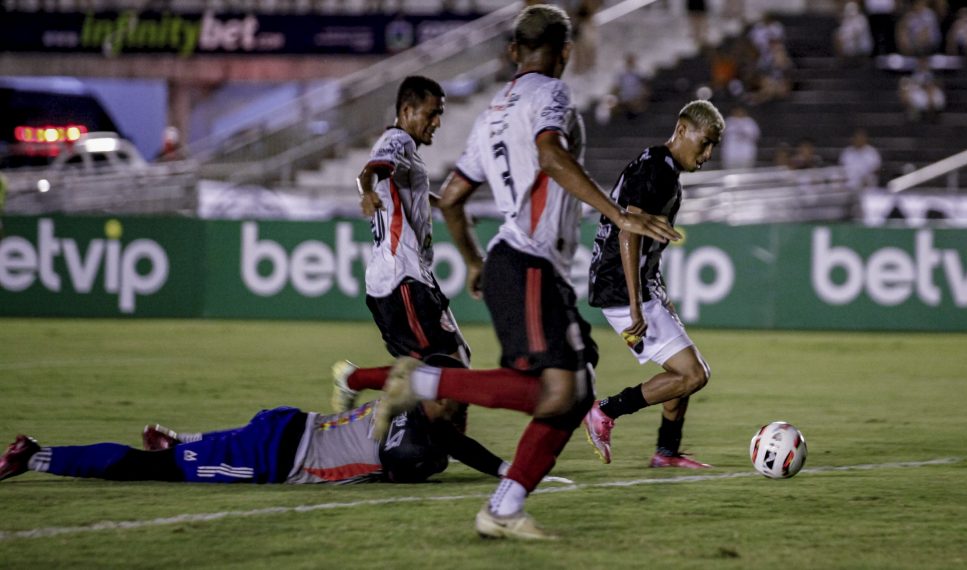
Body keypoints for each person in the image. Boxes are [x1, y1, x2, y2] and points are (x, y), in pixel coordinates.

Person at [367, 5, 679, 540]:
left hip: (518, 263)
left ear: (513, 51)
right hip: (529, 258)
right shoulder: (550, 94)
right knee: (563, 389)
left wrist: (473, 262)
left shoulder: (490, 112)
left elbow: (455, 198)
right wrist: (618, 212)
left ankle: (504, 506)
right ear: (564, 51)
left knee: (570, 390)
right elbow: (550, 154)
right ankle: (421, 383)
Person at [583, 101, 723, 469]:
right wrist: (634, 304)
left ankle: (666, 452)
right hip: (621, 288)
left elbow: (645, 241)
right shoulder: (656, 170)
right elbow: (629, 230)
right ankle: (604, 411)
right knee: (693, 374)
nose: (707, 154)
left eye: (713, 147)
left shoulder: (662, 168)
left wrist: (658, 290)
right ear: (681, 130)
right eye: (705, 142)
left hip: (636, 286)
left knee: (683, 370)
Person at [331, 76, 473, 430]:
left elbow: (410, 193)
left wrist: (446, 203)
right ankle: (357, 382)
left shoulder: (409, 154)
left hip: (404, 277)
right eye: (432, 113)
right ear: (407, 111)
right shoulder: (397, 140)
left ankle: (360, 385)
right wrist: (366, 192)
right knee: (447, 368)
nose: (438, 121)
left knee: (446, 366)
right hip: (402, 277)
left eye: (440, 113)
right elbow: (371, 171)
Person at [0, 399, 519, 486]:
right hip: (276, 458)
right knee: (151, 471)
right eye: (461, 410)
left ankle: (177, 440)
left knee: (185, 455)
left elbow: (452, 444)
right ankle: (35, 456)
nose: (463, 420)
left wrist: (501, 469)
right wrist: (501, 470)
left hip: (288, 422)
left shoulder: (403, 399)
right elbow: (408, 459)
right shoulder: (422, 443)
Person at [721, 106, 761, 170]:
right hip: (731, 154)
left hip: (746, 153)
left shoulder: (750, 122)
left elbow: (756, 136)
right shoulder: (728, 121)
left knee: (746, 173)